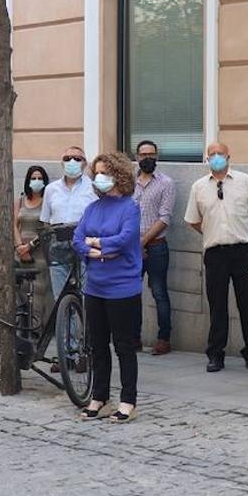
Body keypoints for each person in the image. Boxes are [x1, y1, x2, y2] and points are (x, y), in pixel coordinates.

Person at [73, 153, 143, 423]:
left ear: (118, 175)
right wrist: (97, 250)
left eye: (104, 172)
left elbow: (125, 240)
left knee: (124, 346)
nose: (98, 178)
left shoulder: (130, 207)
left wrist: (96, 244)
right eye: (96, 173)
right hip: (95, 287)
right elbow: (78, 239)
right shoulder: (93, 208)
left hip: (122, 288)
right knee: (97, 345)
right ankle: (99, 396)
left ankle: (128, 401)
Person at [185, 142, 248, 372]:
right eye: (212, 154)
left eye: (220, 154)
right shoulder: (199, 186)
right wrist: (212, 232)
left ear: (229, 156)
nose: (217, 157)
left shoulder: (246, 181)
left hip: (244, 251)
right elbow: (193, 220)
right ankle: (215, 354)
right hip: (215, 252)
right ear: (207, 158)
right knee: (217, 305)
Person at [133, 140, 175, 354]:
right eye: (143, 154)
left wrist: (143, 241)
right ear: (137, 156)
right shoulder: (128, 182)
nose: (147, 158)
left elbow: (165, 217)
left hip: (157, 246)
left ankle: (163, 339)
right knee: (132, 293)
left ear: (157, 156)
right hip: (130, 249)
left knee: (159, 292)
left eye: (151, 154)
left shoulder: (166, 183)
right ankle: (134, 338)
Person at [41, 145, 97, 299]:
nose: (72, 161)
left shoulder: (94, 188)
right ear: (61, 163)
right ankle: (65, 323)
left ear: (85, 163)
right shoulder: (51, 189)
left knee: (86, 296)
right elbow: (46, 221)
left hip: (85, 245)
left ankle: (84, 324)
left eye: (77, 159)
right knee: (61, 299)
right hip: (58, 246)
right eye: (67, 159)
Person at [16, 165, 52, 321]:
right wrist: (19, 247)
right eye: (33, 178)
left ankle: (35, 335)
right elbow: (13, 225)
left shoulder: (47, 202)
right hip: (20, 254)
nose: (36, 181)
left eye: (40, 178)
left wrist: (30, 246)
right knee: (21, 295)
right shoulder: (20, 200)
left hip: (39, 254)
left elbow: (48, 229)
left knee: (37, 297)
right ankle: (21, 333)